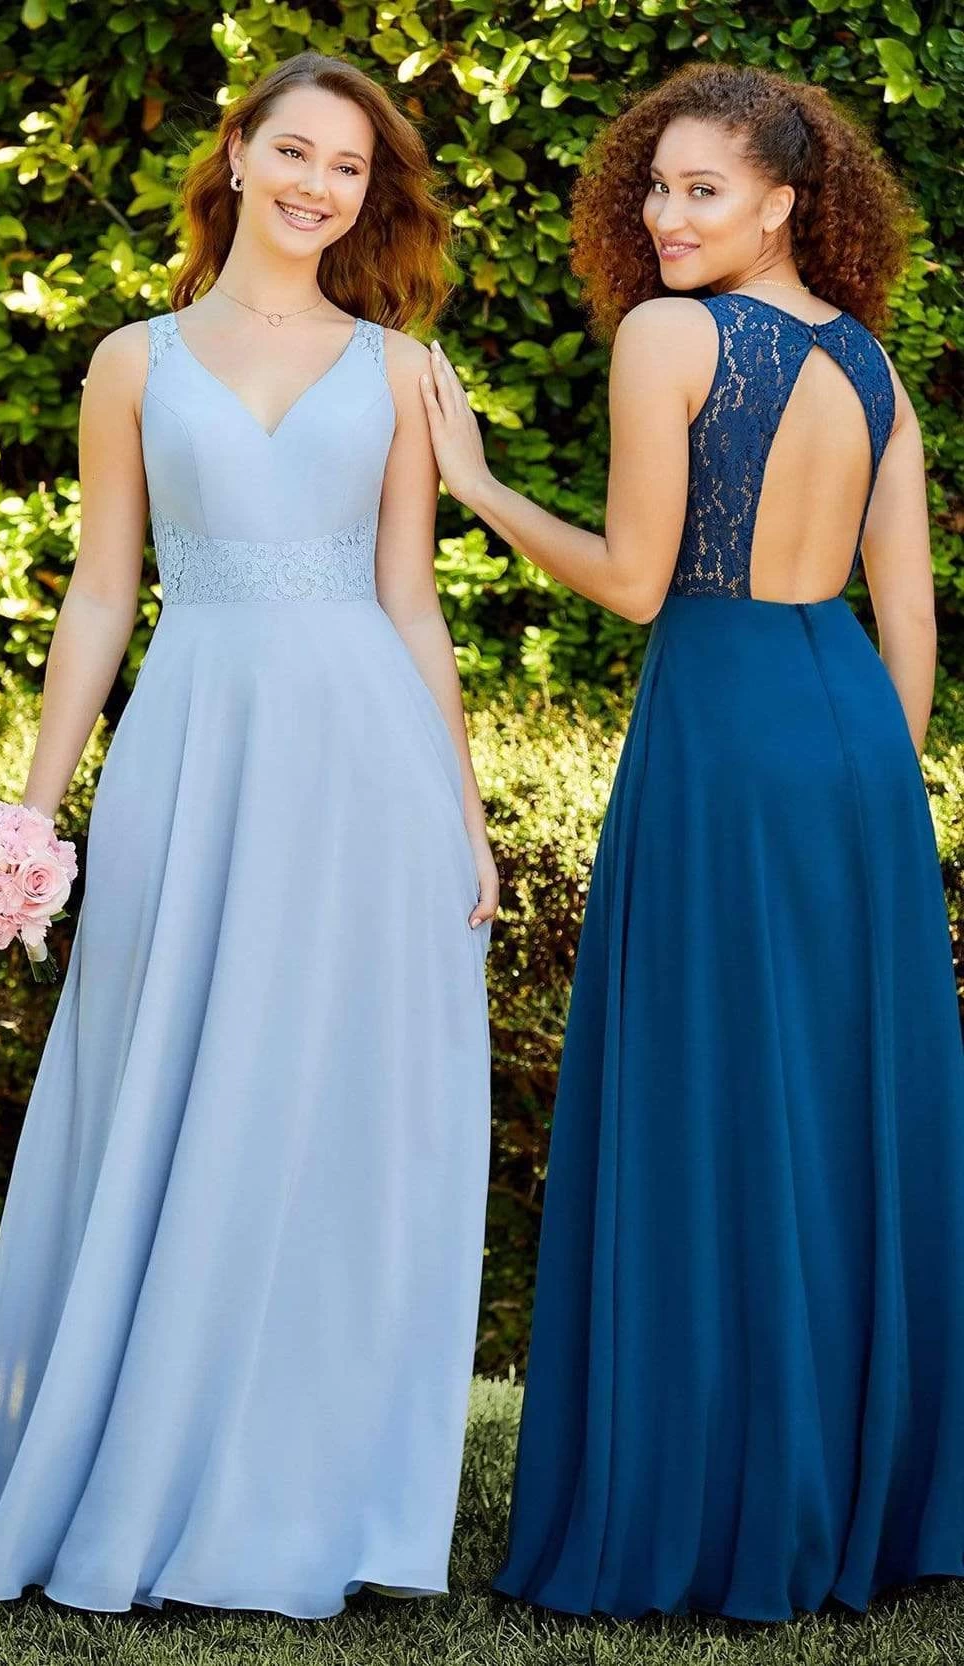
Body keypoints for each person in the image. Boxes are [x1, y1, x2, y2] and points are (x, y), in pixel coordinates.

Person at [421, 62, 964, 1622]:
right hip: (854, 743)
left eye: (703, 189)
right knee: (838, 1109)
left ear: (784, 202)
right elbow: (908, 612)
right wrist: (878, 787)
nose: (666, 215)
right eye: (657, 186)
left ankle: (714, 1499)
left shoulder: (668, 337)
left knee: (708, 1095)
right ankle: (861, 1502)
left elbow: (636, 580)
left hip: (722, 732)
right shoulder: (868, 359)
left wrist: (477, 485)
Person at [0, 50, 496, 1621]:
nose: (319, 183)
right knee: (162, 1079)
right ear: (241, 153)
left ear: (368, 195)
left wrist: (464, 814)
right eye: (297, 150)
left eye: (349, 166)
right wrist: (35, 806)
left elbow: (412, 601)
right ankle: (138, 1462)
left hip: (364, 759)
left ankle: (300, 1488)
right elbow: (100, 592)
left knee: (326, 1105)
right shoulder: (131, 360)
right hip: (190, 742)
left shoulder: (399, 370)